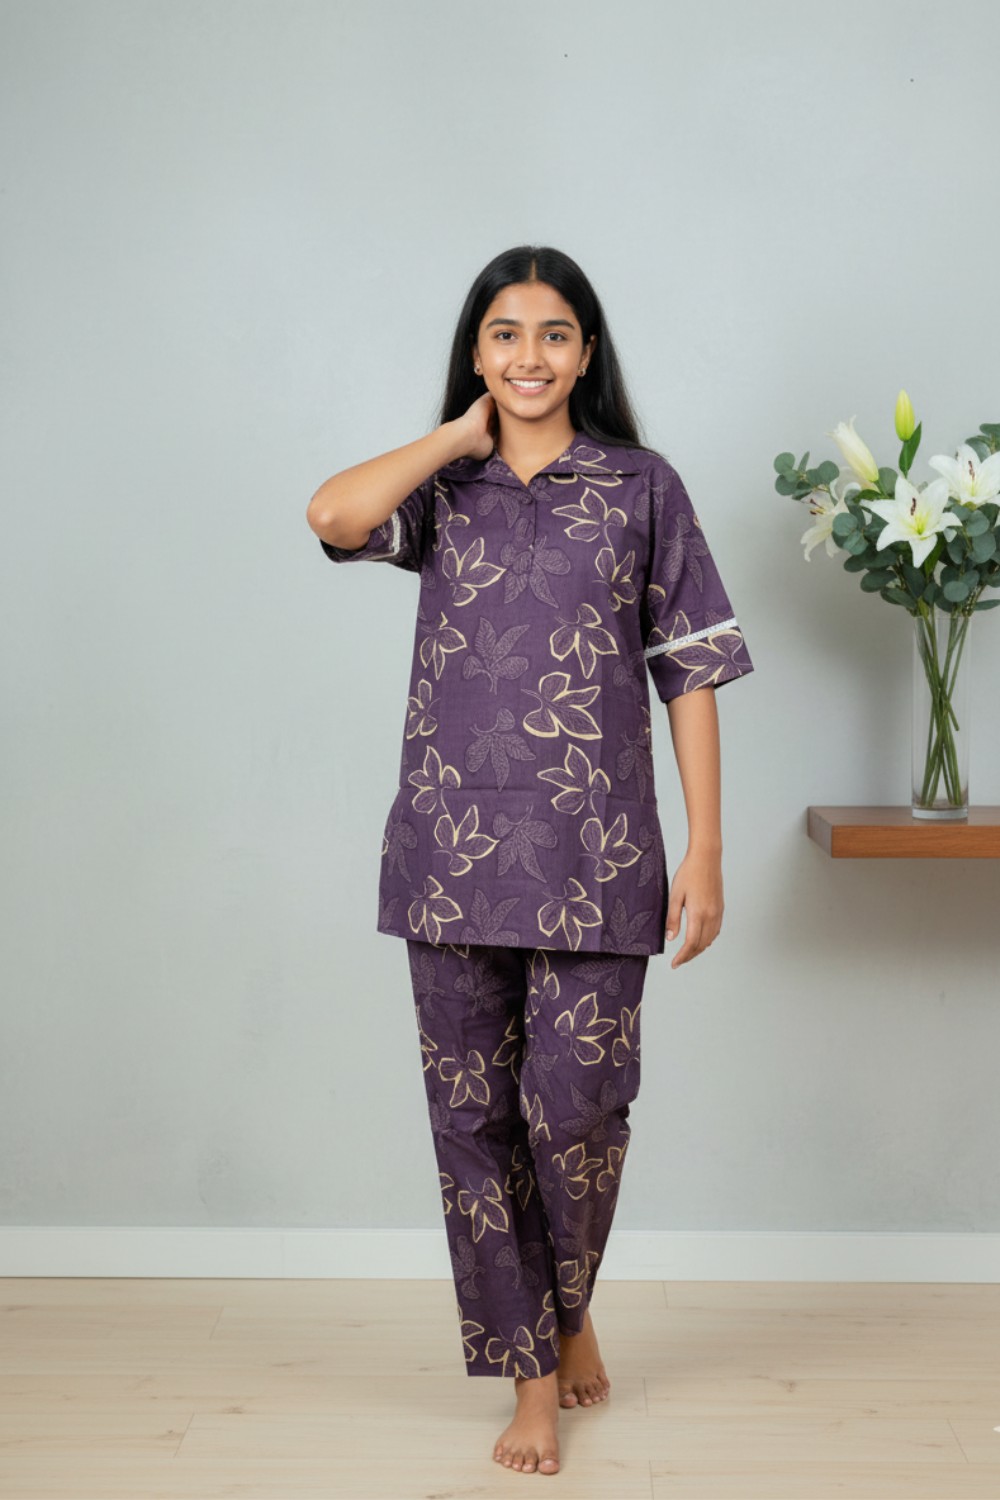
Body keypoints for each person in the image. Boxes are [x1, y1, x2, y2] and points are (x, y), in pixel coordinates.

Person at [306, 245, 754, 1478]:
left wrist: (707, 849)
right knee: (473, 1124)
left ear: (587, 352)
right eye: (505, 333)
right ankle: (534, 1379)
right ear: (476, 352)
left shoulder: (640, 486)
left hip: (598, 859)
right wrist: (457, 436)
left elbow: (692, 671)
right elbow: (332, 516)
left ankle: (565, 1306)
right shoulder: (440, 490)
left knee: (580, 1114)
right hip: (447, 860)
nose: (530, 356)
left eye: (554, 333)